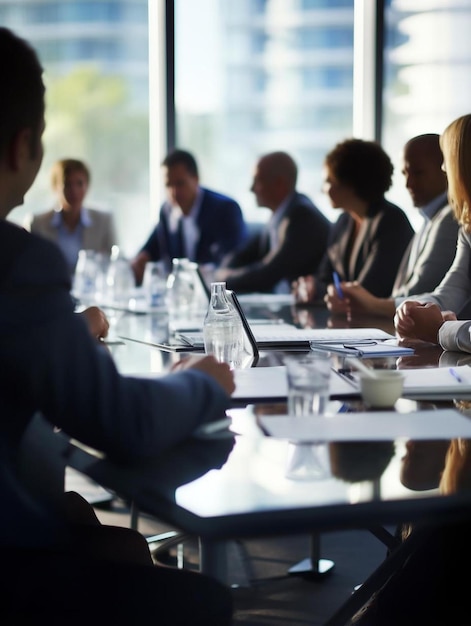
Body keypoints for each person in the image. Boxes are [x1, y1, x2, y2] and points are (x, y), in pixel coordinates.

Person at [0, 26, 234, 625]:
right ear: (21, 146)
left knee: (118, 540)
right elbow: (124, 423)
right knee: (206, 602)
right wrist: (203, 380)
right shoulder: (17, 260)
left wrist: (68, 332)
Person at [325, 134, 458, 317]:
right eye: (404, 173)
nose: (408, 183)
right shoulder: (431, 218)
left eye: (418, 173)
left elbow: (418, 293)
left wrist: (370, 303)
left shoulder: (449, 219)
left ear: (447, 169)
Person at [292, 138, 414, 306]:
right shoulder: (344, 221)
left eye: (329, 181)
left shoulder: (391, 221)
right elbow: (324, 276)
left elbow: (369, 291)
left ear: (349, 183)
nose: (323, 189)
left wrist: (321, 290)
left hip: (381, 324)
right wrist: (311, 286)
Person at [394, 113, 471, 352]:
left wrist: (441, 330)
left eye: (448, 160)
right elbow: (453, 290)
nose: (443, 168)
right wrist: (413, 308)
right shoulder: (468, 226)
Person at [215, 150, 331, 294]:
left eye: (257, 180)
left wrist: (222, 280)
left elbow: (268, 273)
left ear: (279, 184)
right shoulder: (281, 214)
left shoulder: (301, 217)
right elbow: (244, 254)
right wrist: (222, 272)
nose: (251, 189)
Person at [131, 148, 248, 284]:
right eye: (168, 185)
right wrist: (140, 260)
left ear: (196, 179)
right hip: (178, 296)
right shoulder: (167, 210)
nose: (174, 192)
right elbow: (149, 249)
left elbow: (232, 259)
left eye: (180, 184)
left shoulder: (225, 209)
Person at [24, 158, 117, 275]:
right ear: (55, 187)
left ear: (87, 186)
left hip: (92, 291)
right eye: (67, 184)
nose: (74, 191)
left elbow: (114, 264)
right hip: (51, 291)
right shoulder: (37, 224)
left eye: (79, 184)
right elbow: (30, 267)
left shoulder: (103, 221)